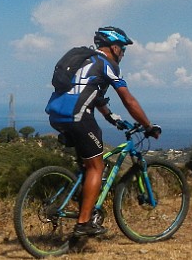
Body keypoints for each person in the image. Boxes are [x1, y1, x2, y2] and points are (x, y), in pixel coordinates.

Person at [45, 26, 161, 236]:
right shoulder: (108, 65)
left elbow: (93, 93)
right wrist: (147, 125)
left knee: (87, 165)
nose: (123, 54)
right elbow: (128, 99)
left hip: (56, 115)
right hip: (78, 117)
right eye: (123, 49)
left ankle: (84, 206)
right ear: (115, 48)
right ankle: (84, 223)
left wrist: (109, 117)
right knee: (96, 167)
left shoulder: (86, 61)